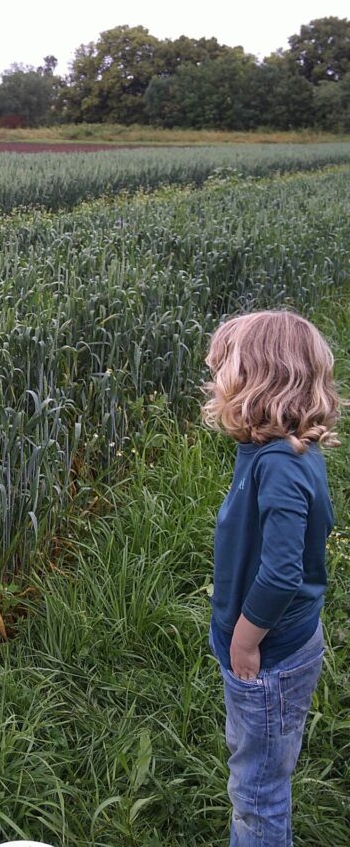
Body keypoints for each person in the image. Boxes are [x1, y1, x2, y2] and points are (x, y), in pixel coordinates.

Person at [202, 310, 340, 846]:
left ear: (259, 380)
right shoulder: (275, 449)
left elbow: (282, 573)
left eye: (224, 370)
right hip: (273, 649)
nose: (216, 380)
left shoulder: (280, 462)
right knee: (254, 764)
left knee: (257, 795)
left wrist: (244, 639)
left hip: (268, 657)